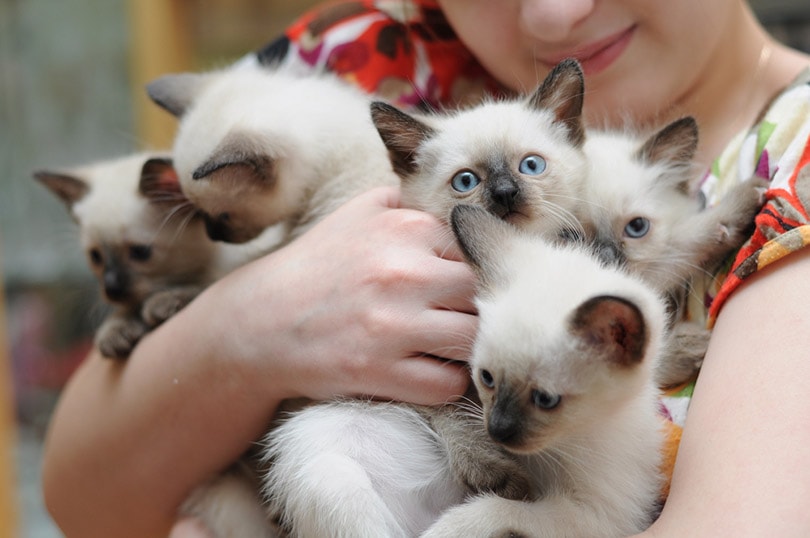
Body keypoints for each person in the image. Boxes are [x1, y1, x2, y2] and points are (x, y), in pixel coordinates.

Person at [41, 1, 810, 537]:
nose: (553, 14)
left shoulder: (794, 159)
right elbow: (87, 504)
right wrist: (248, 324)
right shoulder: (369, 51)